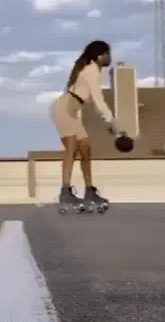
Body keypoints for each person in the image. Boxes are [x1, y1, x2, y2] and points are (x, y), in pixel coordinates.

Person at [50, 40, 126, 208]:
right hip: (63, 109)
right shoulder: (91, 70)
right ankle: (65, 192)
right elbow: (99, 100)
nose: (109, 57)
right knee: (72, 148)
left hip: (71, 111)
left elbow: (92, 100)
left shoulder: (92, 70)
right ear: (99, 56)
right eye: (107, 54)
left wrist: (109, 122)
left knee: (85, 149)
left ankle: (89, 191)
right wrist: (112, 121)